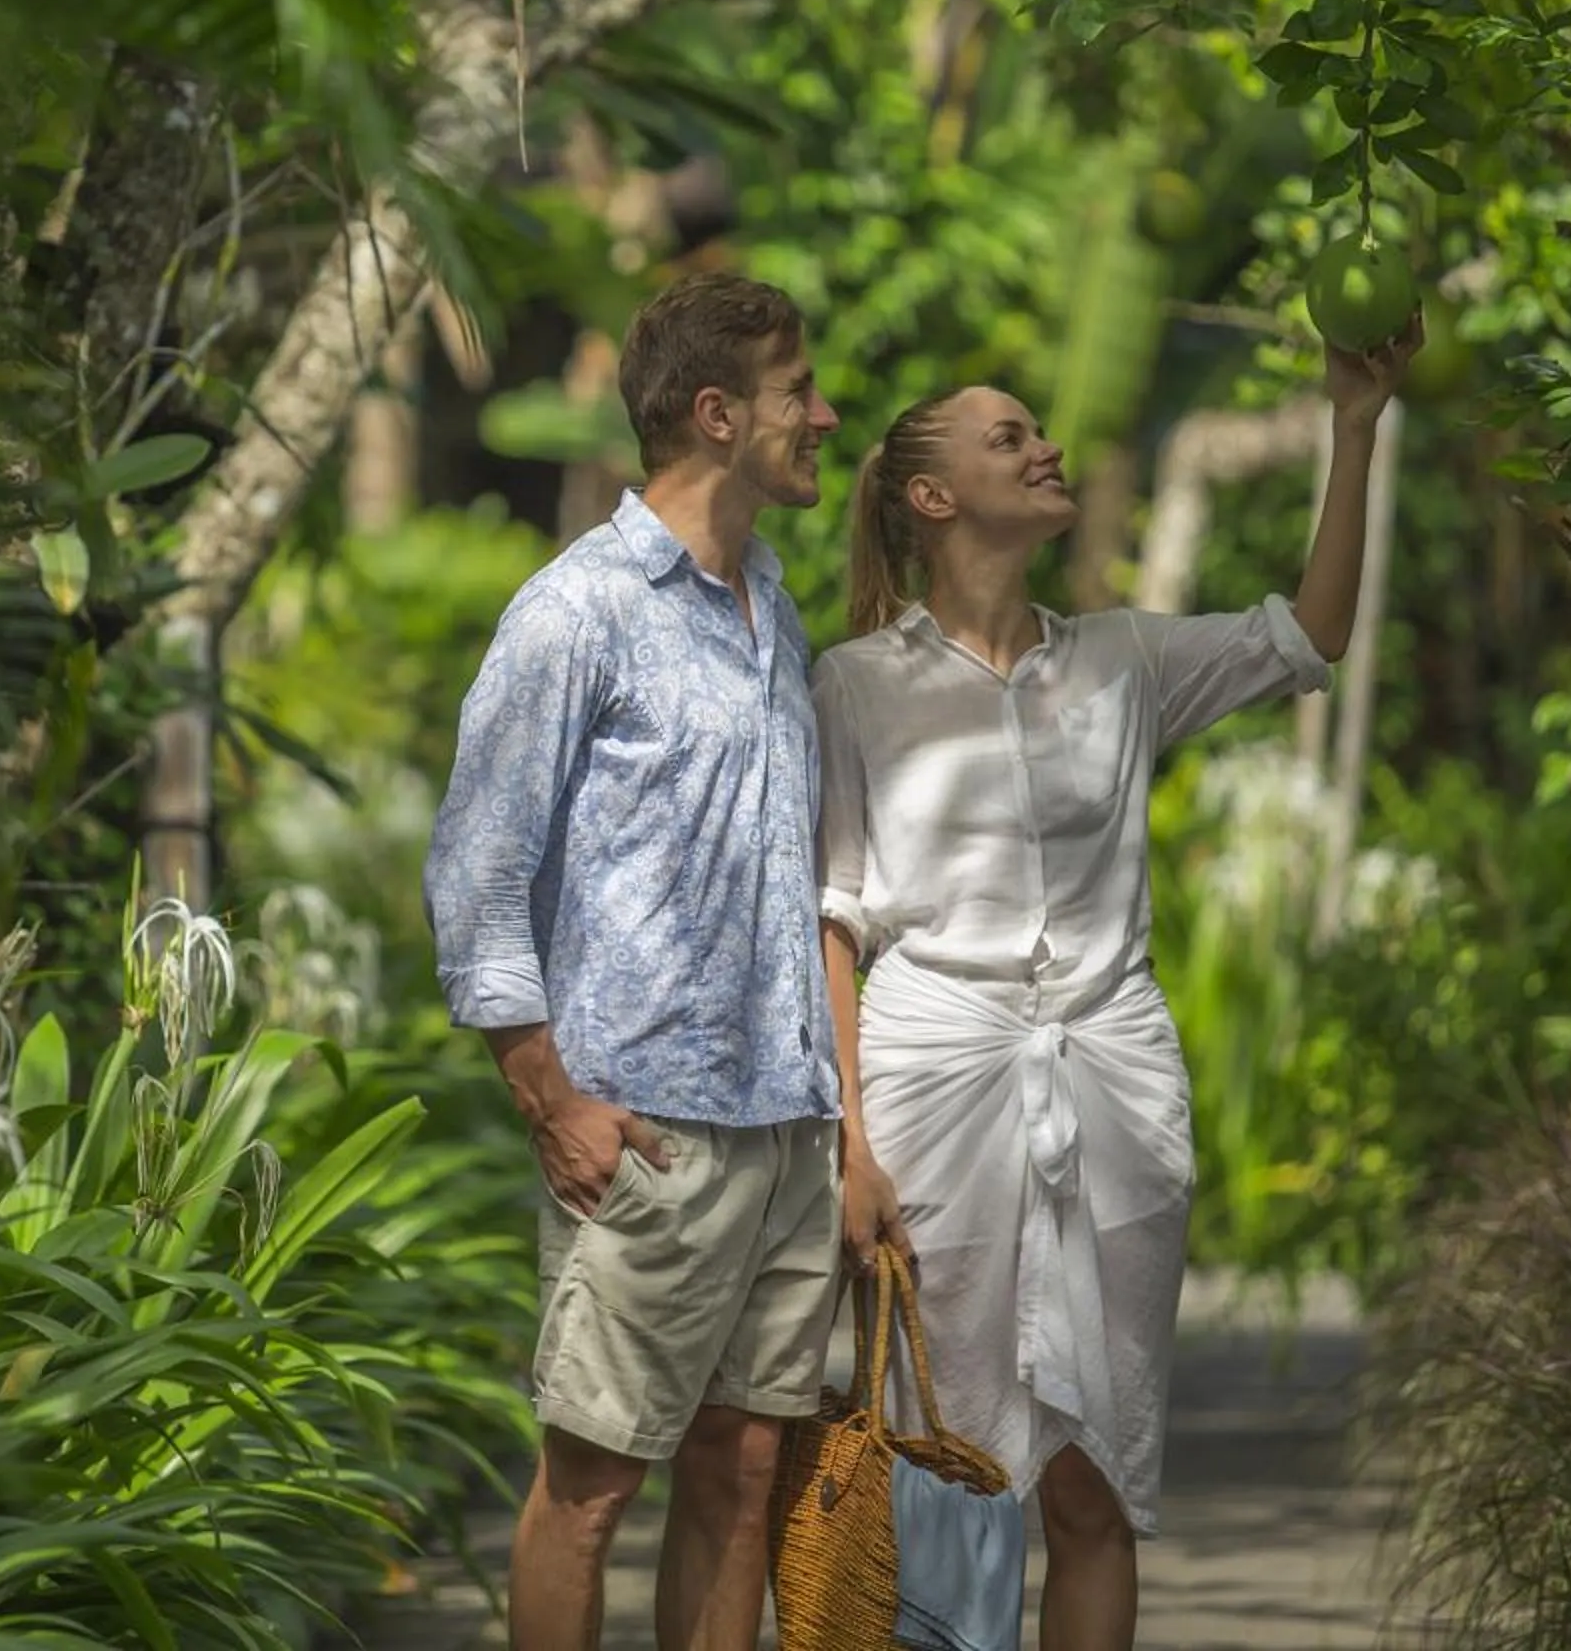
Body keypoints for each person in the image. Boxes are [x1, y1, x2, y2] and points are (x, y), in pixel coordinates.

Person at [813, 321, 1419, 1651]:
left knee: (1093, 1489)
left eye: (1041, 430)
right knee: (943, 1480)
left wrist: (1356, 423)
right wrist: (850, 1145)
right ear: (931, 497)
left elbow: (1308, 634)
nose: (1049, 448)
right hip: (931, 1102)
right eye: (1010, 436)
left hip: (1114, 1099)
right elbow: (834, 923)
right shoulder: (853, 686)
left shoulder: (1125, 660)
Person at [425, 272, 847, 1651]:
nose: (824, 415)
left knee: (740, 1477)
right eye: (800, 392)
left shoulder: (769, 606)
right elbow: (477, 872)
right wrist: (550, 1097)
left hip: (785, 1130)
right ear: (720, 415)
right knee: (594, 1486)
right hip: (648, 1134)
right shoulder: (577, 612)